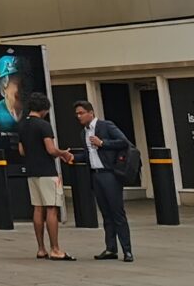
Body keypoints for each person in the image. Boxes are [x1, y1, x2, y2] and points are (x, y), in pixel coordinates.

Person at [71, 99, 134, 263]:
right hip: (95, 174)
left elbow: (123, 142)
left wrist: (102, 143)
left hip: (110, 174)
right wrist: (72, 157)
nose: (79, 116)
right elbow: (88, 155)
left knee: (117, 212)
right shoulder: (84, 133)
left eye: (81, 113)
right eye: (77, 114)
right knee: (106, 213)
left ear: (90, 113)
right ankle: (111, 248)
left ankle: (127, 250)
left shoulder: (105, 126)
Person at [19, 92, 71, 261]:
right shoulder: (44, 125)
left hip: (31, 171)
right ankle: (55, 248)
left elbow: (21, 150)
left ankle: (41, 248)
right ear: (43, 108)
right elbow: (50, 149)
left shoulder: (22, 125)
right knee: (52, 209)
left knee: (37, 208)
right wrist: (63, 153)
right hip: (47, 171)